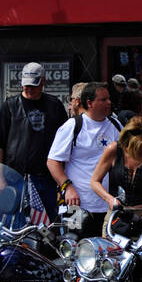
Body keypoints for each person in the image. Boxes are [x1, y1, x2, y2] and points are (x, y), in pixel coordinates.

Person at [0, 63, 68, 222]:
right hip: (15, 177)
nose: (29, 89)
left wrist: (62, 182)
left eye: (33, 85)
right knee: (13, 223)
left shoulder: (55, 105)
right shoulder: (10, 105)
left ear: (43, 82)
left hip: (46, 178)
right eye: (26, 85)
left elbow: (64, 147)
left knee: (47, 225)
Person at [47, 82, 120, 235]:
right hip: (77, 203)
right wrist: (67, 188)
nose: (109, 103)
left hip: (108, 204)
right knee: (75, 247)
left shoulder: (116, 125)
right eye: (103, 99)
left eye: (109, 99)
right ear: (89, 103)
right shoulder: (73, 125)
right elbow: (53, 161)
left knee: (106, 251)